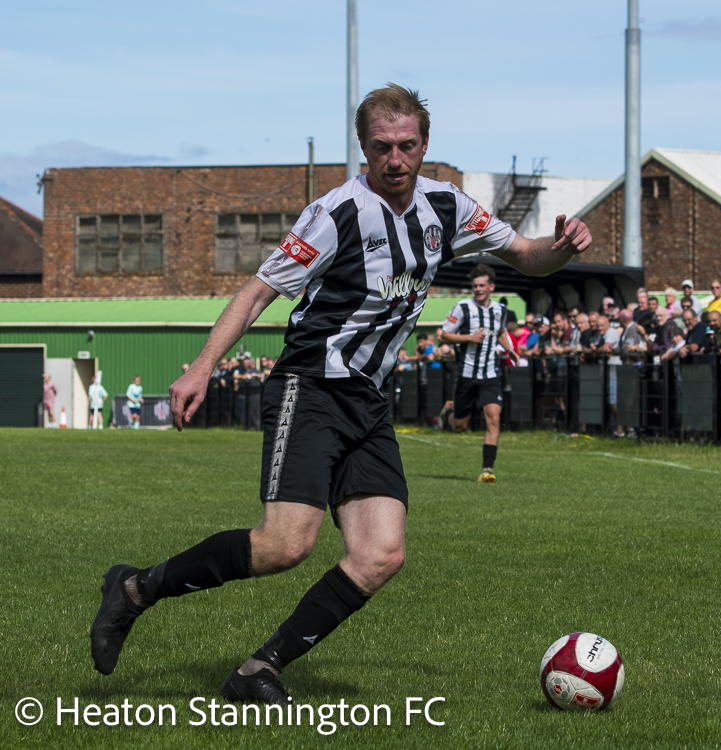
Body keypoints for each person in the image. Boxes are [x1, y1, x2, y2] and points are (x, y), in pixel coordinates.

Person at [89, 83, 592, 704]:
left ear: (425, 145)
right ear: (363, 149)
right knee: (283, 545)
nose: (395, 159)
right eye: (382, 147)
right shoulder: (336, 214)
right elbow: (256, 293)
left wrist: (562, 247)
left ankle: (258, 670)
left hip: (370, 401)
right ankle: (135, 589)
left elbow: (526, 256)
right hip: (313, 385)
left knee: (380, 553)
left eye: (407, 145)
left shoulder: (448, 205)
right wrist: (200, 368)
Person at [439, 263, 519, 481]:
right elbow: (444, 336)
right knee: (459, 427)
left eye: (482, 285)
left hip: (490, 375)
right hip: (466, 375)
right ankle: (448, 414)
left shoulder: (500, 310)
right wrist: (468, 338)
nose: (478, 289)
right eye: (475, 286)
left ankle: (487, 470)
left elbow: (500, 331)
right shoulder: (462, 307)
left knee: (494, 417)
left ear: (491, 287)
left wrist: (510, 350)